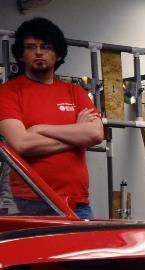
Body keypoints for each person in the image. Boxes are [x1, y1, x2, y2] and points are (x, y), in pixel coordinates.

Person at [0, 17, 104, 219]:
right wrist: (76, 137)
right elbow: (22, 144)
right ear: (21, 55)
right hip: (30, 202)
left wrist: (40, 128)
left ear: (58, 54)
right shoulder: (8, 93)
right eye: (31, 47)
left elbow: (96, 133)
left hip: (78, 203)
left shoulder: (75, 92)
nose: (38, 52)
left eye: (45, 46)